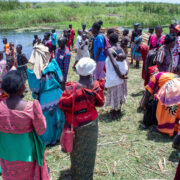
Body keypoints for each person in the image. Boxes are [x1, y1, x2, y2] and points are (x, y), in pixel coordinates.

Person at [59, 57, 105, 180]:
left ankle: (76, 173)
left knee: (75, 151)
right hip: (91, 123)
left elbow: (62, 105)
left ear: (78, 72)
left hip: (75, 124)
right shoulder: (95, 86)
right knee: (89, 152)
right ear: (91, 73)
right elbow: (100, 103)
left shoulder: (70, 89)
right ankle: (87, 176)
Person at [0, 70, 49, 180]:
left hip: (6, 155)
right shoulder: (32, 107)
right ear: (22, 88)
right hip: (27, 156)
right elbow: (41, 130)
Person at [27, 43, 65, 146]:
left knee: (47, 120)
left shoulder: (34, 71)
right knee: (59, 116)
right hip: (58, 95)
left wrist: (36, 97)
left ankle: (49, 141)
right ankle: (59, 137)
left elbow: (35, 90)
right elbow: (61, 79)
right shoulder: (53, 64)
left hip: (45, 98)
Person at [105, 33, 128, 115]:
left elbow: (114, 64)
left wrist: (119, 76)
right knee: (120, 92)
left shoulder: (110, 50)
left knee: (115, 93)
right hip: (122, 73)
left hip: (116, 74)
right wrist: (124, 73)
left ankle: (116, 111)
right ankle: (117, 108)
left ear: (109, 41)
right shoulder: (120, 48)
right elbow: (126, 61)